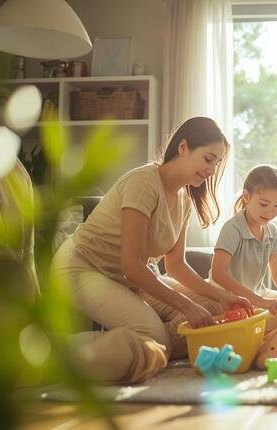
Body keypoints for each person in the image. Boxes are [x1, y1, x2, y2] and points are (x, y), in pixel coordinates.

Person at [52, 117, 253, 384]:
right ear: (183, 147)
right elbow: (132, 266)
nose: (211, 170)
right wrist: (187, 305)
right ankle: (52, 355)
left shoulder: (184, 199)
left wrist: (224, 296)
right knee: (155, 338)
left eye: (216, 163)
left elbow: (176, 266)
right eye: (208, 159)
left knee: (214, 309)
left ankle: (153, 346)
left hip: (126, 278)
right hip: (82, 267)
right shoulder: (144, 182)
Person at [210, 164, 277, 324]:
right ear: (246, 197)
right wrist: (261, 301)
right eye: (264, 204)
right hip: (226, 295)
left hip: (255, 293)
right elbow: (218, 273)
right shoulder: (233, 228)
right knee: (268, 319)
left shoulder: (272, 232)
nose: (270, 212)